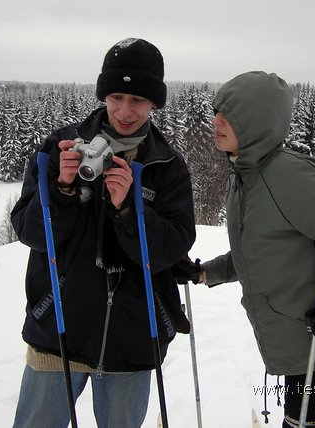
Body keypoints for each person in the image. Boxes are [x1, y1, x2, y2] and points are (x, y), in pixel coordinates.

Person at [180, 71, 315, 428]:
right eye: (216, 112)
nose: (215, 122)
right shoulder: (246, 178)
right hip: (301, 351)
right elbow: (259, 254)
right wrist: (204, 272)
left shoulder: (291, 175)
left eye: (227, 116)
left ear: (255, 121)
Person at [11, 38, 196, 428]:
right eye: (116, 96)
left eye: (138, 99)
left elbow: (171, 248)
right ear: (103, 95)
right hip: (59, 332)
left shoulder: (167, 165)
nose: (125, 111)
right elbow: (31, 233)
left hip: (133, 340)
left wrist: (129, 209)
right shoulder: (59, 148)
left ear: (154, 103)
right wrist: (61, 190)